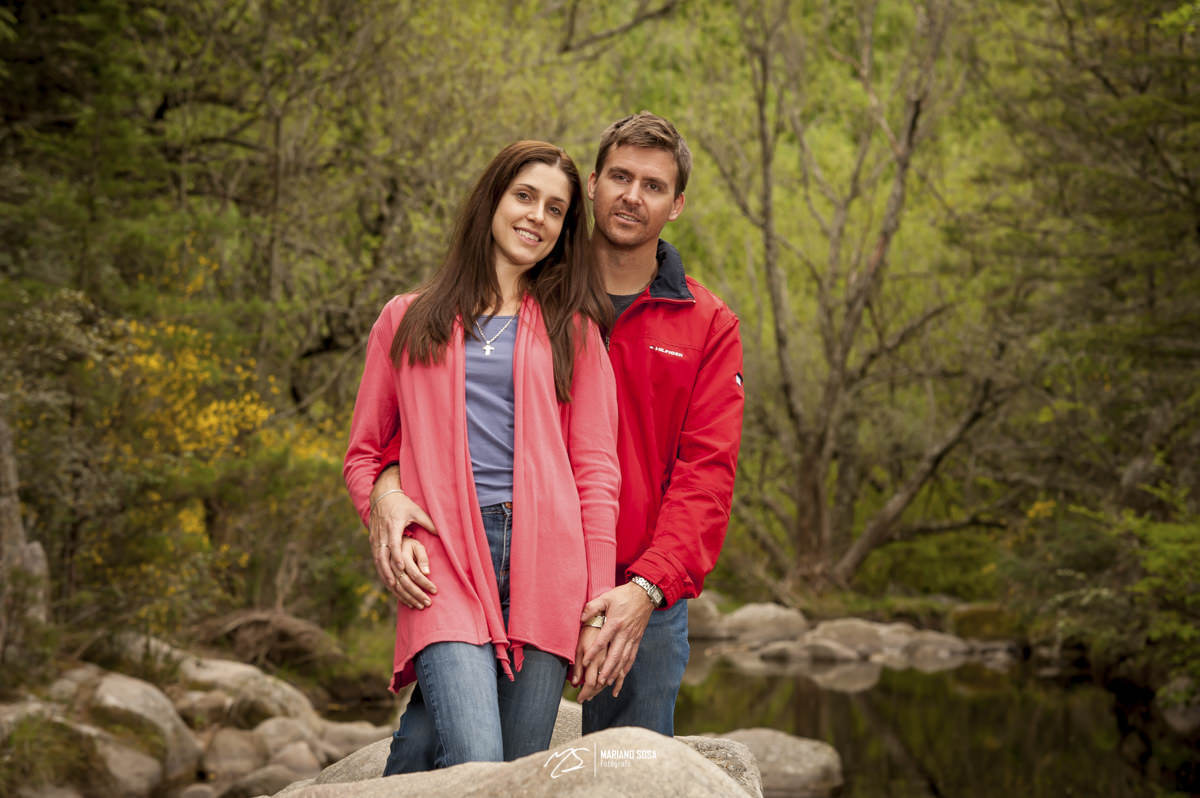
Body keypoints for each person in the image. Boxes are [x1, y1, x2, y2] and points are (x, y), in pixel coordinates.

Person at [373, 112, 744, 755]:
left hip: (642, 590)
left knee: (629, 772)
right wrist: (384, 491)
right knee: (465, 749)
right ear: (594, 185)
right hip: (512, 560)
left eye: (653, 186)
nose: (632, 195)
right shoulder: (532, 297)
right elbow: (418, 425)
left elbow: (706, 476)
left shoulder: (705, 323)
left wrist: (643, 587)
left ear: (677, 205)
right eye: (620, 177)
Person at [343, 140, 620, 771]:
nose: (537, 217)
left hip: (547, 564)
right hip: (442, 554)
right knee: (475, 757)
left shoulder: (571, 328)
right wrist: (383, 503)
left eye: (556, 209)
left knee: (508, 766)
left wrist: (598, 598)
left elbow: (598, 473)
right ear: (491, 201)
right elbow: (365, 452)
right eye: (524, 196)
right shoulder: (406, 320)